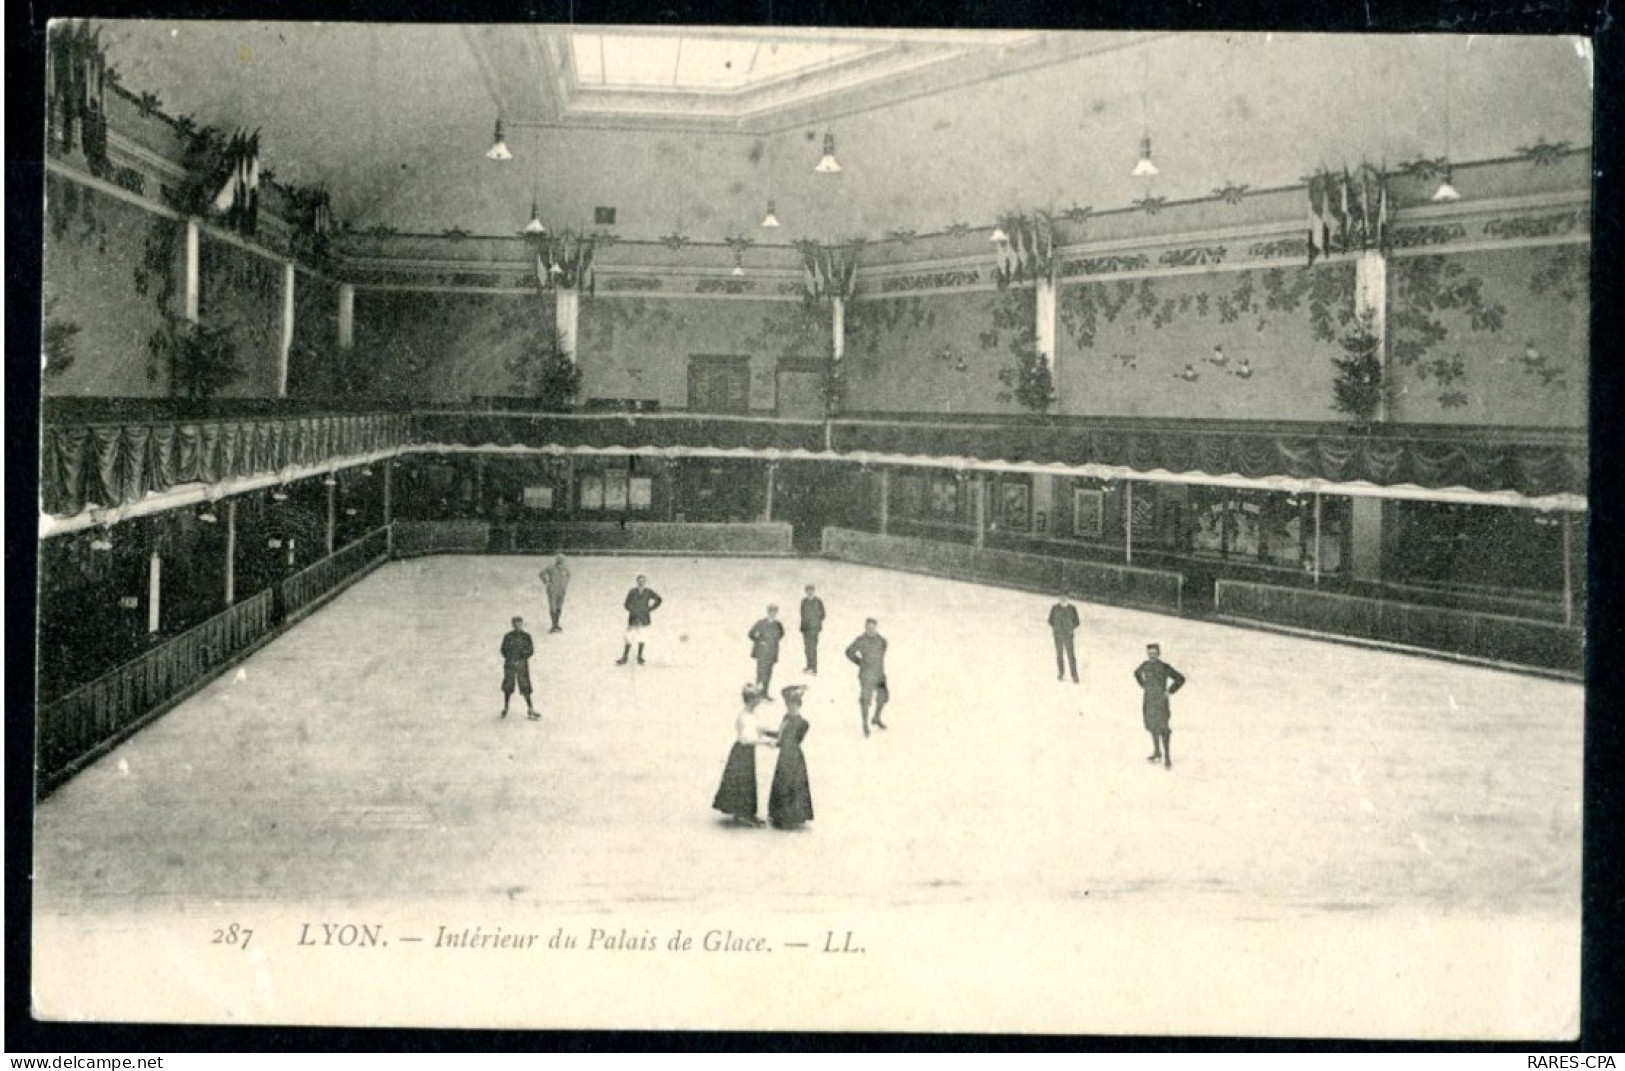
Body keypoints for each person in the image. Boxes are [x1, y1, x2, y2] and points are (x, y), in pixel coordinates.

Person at [712, 684, 776, 827]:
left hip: (744, 750)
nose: (759, 701)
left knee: (743, 782)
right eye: (757, 698)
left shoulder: (751, 714)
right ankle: (744, 815)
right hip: (743, 751)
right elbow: (749, 738)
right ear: (751, 700)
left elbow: (759, 728)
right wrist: (767, 743)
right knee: (744, 782)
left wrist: (773, 733)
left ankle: (744, 813)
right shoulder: (746, 717)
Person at [767, 685, 814, 830]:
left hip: (792, 756)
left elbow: (793, 741)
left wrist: (778, 744)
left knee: (790, 784)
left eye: (793, 704)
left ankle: (792, 816)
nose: (790, 707)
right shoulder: (786, 718)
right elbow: (780, 735)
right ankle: (780, 816)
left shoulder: (804, 723)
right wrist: (766, 733)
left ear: (799, 705)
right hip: (785, 755)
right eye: (788, 704)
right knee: (783, 783)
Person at [1134, 643, 1186, 768]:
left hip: (1161, 703)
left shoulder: (1164, 667)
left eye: (1154, 653)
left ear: (1159, 653)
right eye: (1150, 653)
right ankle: (1157, 752)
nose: (1152, 656)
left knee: (1163, 729)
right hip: (1148, 701)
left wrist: (1169, 691)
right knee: (1152, 727)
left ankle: (1167, 757)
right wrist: (1143, 685)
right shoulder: (1145, 665)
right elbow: (1136, 673)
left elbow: (1180, 678)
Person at [844, 618, 889, 737]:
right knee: (865, 700)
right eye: (869, 628)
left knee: (883, 697)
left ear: (876, 628)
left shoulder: (881, 641)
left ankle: (876, 718)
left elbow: (883, 650)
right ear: (865, 628)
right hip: (866, 676)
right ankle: (865, 724)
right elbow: (849, 652)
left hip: (879, 674)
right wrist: (860, 662)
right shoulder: (861, 640)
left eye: (873, 628)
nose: (871, 630)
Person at [616, 574, 663, 666]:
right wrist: (632, 610)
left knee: (642, 637)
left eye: (643, 581)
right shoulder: (632, 592)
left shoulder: (648, 592)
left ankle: (639, 657)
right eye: (639, 581)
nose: (641, 583)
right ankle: (624, 657)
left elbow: (659, 600)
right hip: (633, 619)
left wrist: (650, 608)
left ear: (645, 582)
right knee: (629, 637)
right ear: (637, 582)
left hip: (644, 618)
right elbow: (626, 604)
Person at [500, 616, 539, 720]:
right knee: (508, 686)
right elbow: (503, 650)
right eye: (516, 624)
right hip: (510, 664)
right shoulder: (508, 637)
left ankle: (530, 708)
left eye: (519, 624)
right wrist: (511, 659)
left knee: (525, 686)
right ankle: (506, 707)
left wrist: (522, 657)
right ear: (512, 625)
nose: (518, 626)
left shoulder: (526, 636)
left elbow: (530, 650)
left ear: (522, 624)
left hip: (522, 664)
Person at [748, 605, 786, 698]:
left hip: (771, 653)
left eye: (774, 612)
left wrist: (773, 642)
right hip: (762, 652)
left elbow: (781, 634)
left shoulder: (778, 624)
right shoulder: (761, 623)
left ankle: (765, 694)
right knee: (761, 673)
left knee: (768, 674)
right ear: (768, 612)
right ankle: (757, 694)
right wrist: (760, 641)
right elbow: (751, 634)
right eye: (771, 611)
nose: (773, 613)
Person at [1048, 595, 1081, 683]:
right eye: (1061, 597)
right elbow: (1050, 620)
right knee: (1059, 655)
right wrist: (1057, 629)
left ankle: (1074, 675)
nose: (1063, 599)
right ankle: (1061, 673)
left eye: (1065, 597)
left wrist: (1069, 628)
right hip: (1058, 636)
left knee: (1071, 656)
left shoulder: (1072, 609)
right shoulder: (1055, 608)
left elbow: (1077, 622)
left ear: (1068, 598)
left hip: (1068, 636)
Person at [539, 552, 571, 633]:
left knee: (559, 607)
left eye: (562, 560)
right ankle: (553, 624)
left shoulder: (566, 568)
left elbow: (568, 576)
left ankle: (556, 623)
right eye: (560, 560)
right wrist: (546, 582)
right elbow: (541, 573)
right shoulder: (551, 567)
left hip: (561, 590)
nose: (561, 561)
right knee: (553, 607)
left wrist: (565, 585)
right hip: (552, 590)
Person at [799, 584, 826, 674]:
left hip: (814, 629)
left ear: (813, 591)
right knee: (807, 648)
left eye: (811, 590)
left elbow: (823, 614)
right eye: (808, 590)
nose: (809, 592)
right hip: (806, 628)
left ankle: (813, 668)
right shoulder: (804, 601)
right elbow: (802, 613)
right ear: (806, 592)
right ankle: (809, 666)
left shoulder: (818, 601)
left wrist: (815, 621)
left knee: (812, 648)